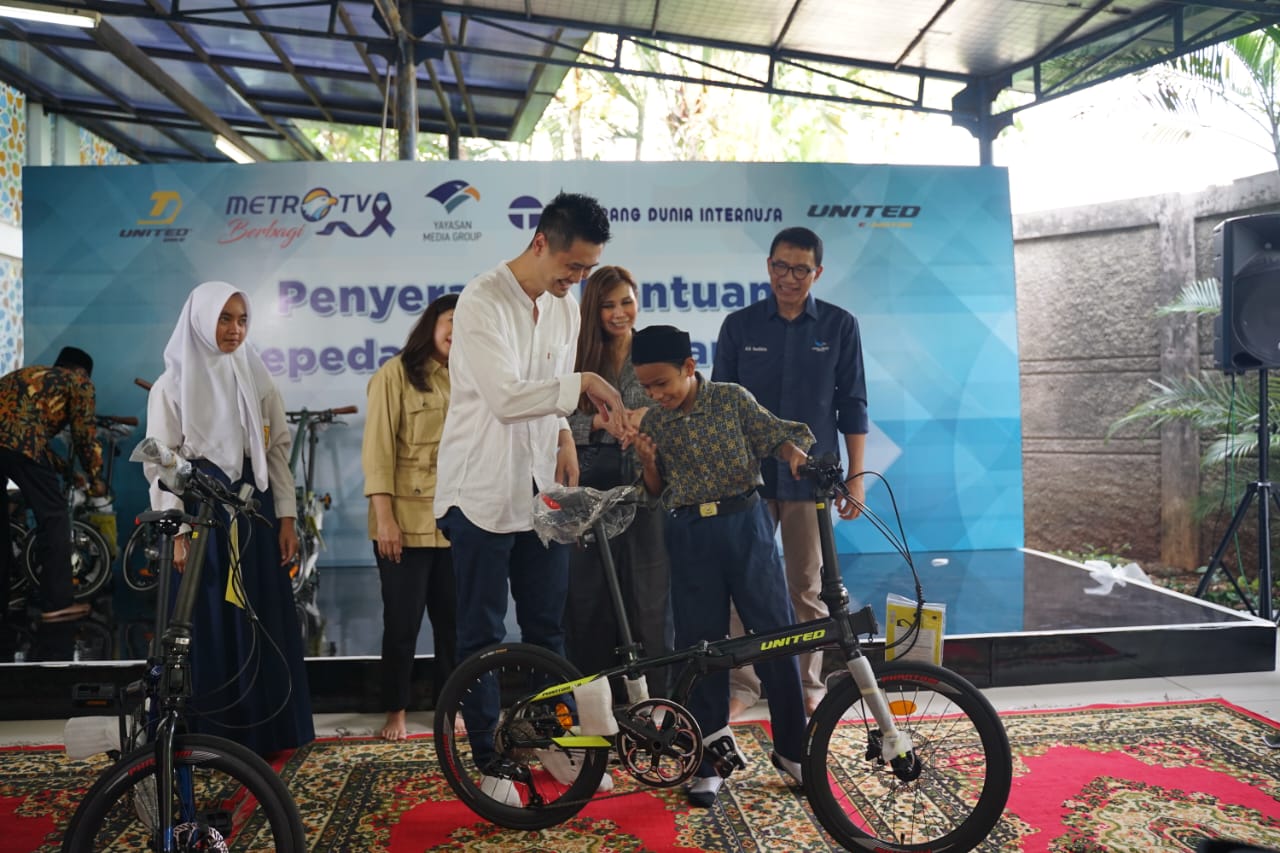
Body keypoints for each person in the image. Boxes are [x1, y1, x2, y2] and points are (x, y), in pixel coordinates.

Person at [435, 191, 628, 798]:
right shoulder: (481, 300)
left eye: (587, 271)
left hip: (541, 489)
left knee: (548, 627)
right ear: (540, 241)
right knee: (481, 634)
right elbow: (507, 395)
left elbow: (546, 397)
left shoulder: (565, 306)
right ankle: (491, 757)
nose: (577, 281)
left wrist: (563, 438)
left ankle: (556, 740)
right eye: (572, 267)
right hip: (480, 490)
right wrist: (584, 384)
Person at [630, 324, 814, 808]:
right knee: (701, 648)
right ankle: (709, 761)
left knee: (777, 637)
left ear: (690, 368)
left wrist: (793, 452)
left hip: (745, 526)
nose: (656, 394)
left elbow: (778, 436)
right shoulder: (655, 424)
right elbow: (651, 493)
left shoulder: (731, 399)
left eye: (662, 383)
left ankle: (794, 750)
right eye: (646, 387)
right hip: (689, 534)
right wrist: (649, 463)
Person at [143, 280, 314, 756]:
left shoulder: (255, 375)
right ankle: (215, 734)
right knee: (210, 621)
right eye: (224, 318)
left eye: (242, 320)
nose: (235, 330)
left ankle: (269, 732)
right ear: (200, 319)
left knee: (261, 619)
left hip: (253, 514)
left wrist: (286, 516)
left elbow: (277, 449)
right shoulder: (170, 385)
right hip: (202, 517)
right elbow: (163, 463)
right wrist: (176, 531)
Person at [713, 226, 867, 717]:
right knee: (743, 582)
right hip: (748, 480)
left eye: (801, 269)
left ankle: (809, 680)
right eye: (781, 266)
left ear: (816, 272)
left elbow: (853, 405)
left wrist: (857, 476)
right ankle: (743, 684)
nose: (789, 277)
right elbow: (721, 409)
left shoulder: (840, 326)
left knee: (806, 582)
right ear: (769, 266)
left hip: (810, 479)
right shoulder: (740, 326)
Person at [564, 266, 672, 699]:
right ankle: (597, 709)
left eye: (626, 301)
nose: (618, 313)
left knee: (649, 603)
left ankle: (660, 705)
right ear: (593, 309)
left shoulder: (654, 349)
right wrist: (596, 423)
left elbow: (680, 406)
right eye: (608, 305)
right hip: (589, 490)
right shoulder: (576, 355)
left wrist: (646, 420)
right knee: (588, 605)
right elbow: (550, 423)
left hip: (647, 488)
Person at [362, 292, 458, 741]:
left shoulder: (473, 377)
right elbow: (378, 453)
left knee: (453, 626)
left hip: (456, 522)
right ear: (432, 326)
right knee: (402, 625)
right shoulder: (394, 375)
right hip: (403, 523)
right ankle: (395, 711)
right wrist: (384, 520)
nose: (457, 333)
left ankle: (448, 705)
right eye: (450, 323)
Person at [0, 347, 104, 622]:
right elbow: (84, 435)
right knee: (55, 516)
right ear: (82, 373)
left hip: (14, 444)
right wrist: (95, 479)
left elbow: (30, 436)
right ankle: (56, 602)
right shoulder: (79, 383)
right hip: (20, 445)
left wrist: (68, 473)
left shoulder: (28, 376)